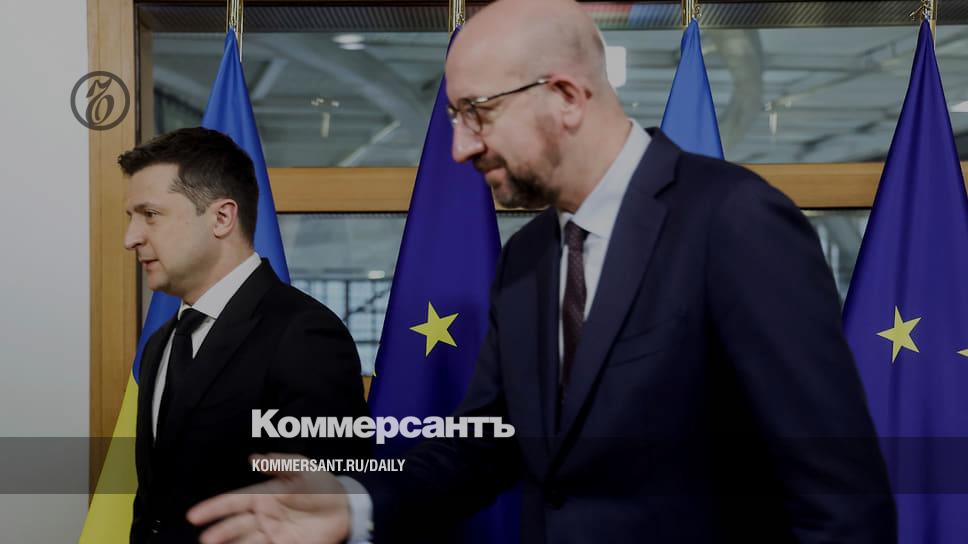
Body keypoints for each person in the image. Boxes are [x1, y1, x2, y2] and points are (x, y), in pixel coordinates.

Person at [187, 0, 896, 542]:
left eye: (477, 112)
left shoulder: (733, 219)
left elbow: (839, 497)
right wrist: (355, 502)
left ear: (566, 96)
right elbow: (485, 446)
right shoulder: (528, 258)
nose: (460, 148)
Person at [120, 127, 372, 543]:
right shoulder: (161, 343)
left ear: (221, 218)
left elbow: (324, 504)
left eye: (150, 215)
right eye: (130, 218)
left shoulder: (304, 334)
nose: (130, 238)